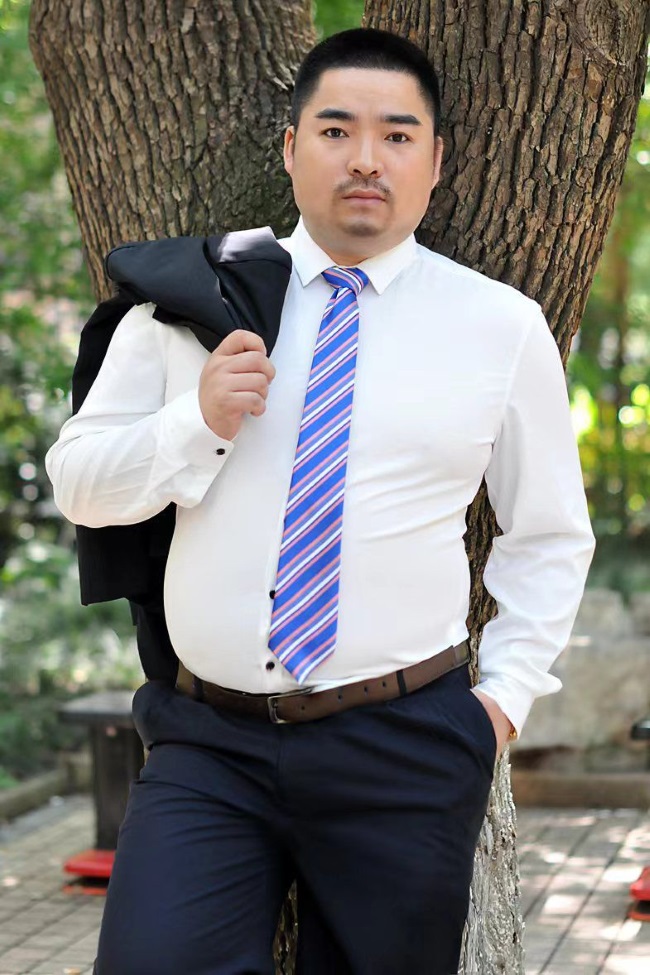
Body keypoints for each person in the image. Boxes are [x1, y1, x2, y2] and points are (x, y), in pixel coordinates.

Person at [46, 26, 596, 975]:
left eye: (396, 135)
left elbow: (549, 533)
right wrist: (195, 420)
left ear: (435, 161)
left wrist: (499, 707)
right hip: (206, 744)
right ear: (291, 148)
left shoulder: (500, 326)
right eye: (337, 130)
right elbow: (81, 487)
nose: (366, 159)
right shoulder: (193, 301)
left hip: (406, 748)